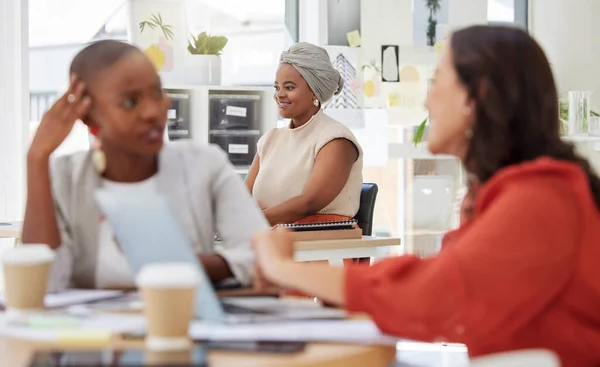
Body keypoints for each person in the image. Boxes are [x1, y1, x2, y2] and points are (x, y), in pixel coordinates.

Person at [252, 25, 600, 366]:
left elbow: (433, 295)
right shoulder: (498, 196)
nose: (426, 99)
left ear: (476, 98)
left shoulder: (539, 200)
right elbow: (446, 277)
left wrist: (283, 267)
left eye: (436, 82)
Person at [22, 40, 269, 290]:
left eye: (157, 92)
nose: (152, 111)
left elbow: (266, 257)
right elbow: (40, 284)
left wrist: (183, 267)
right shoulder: (66, 177)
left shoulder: (204, 165)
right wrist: (36, 159)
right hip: (93, 329)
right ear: (88, 115)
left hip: (181, 324)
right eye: (130, 102)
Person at [245, 42, 363, 226]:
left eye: (289, 87)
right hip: (272, 239)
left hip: (323, 245)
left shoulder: (335, 139)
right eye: (277, 87)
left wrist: (249, 221)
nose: (279, 95)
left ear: (314, 92)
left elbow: (308, 203)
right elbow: (243, 199)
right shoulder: (269, 140)